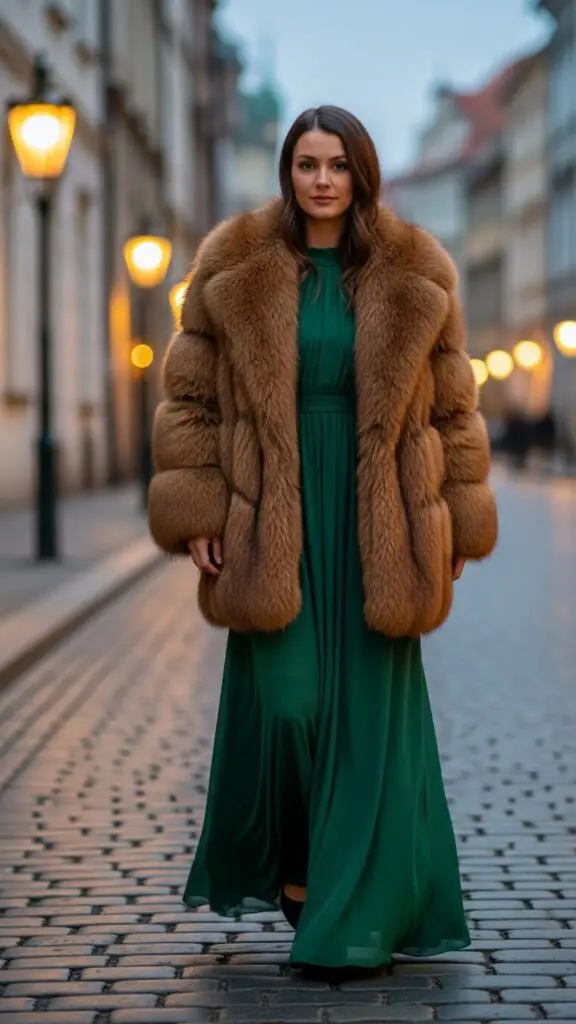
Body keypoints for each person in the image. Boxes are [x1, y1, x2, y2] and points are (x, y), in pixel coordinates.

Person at [148, 105, 498, 973]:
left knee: (370, 721)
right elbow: (190, 398)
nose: (322, 180)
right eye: (307, 163)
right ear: (287, 172)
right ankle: (302, 868)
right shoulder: (234, 266)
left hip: (381, 513)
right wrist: (199, 514)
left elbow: (454, 409)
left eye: (337, 164)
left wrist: (457, 517)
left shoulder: (415, 270)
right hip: (274, 513)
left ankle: (352, 914)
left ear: (361, 173)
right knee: (289, 705)